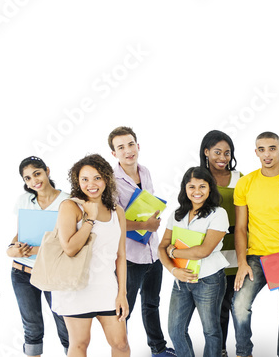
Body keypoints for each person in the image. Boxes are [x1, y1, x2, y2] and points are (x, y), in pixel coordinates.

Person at [232, 132, 279, 357]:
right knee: (239, 305)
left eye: (272, 148)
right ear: (256, 152)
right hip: (255, 257)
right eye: (262, 149)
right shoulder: (246, 183)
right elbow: (240, 228)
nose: (267, 154)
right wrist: (241, 263)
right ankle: (243, 352)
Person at [51, 154, 130, 356]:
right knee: (79, 344)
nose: (91, 184)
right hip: (75, 289)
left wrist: (122, 293)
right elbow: (69, 248)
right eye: (84, 179)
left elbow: (121, 255)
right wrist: (90, 219)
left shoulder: (117, 211)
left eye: (97, 178)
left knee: (120, 344)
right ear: (77, 182)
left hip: (107, 288)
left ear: (106, 178)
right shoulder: (70, 207)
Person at [107, 126, 175, 357]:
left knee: (152, 304)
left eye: (131, 144)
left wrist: (153, 219)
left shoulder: (144, 171)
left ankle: (158, 349)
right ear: (114, 154)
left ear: (138, 146)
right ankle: (121, 350)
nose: (128, 150)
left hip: (152, 253)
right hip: (130, 257)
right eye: (121, 147)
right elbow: (114, 222)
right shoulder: (111, 181)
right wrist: (145, 225)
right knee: (125, 309)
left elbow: (148, 203)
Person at [157, 167, 230, 357]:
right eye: (191, 187)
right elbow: (161, 247)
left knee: (211, 331)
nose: (197, 191)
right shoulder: (177, 214)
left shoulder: (218, 213)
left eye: (202, 186)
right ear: (184, 189)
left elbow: (203, 251)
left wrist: (173, 251)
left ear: (210, 188)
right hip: (181, 279)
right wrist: (174, 271)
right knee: (175, 330)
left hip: (209, 280)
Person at [9, 156, 70, 356]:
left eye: (37, 173)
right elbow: (21, 233)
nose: (34, 181)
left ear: (47, 171)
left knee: (66, 327)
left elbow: (67, 242)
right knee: (32, 330)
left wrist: (36, 250)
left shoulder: (67, 201)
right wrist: (12, 248)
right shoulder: (24, 200)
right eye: (27, 178)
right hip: (22, 272)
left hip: (53, 271)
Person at [198, 130, 244, 357]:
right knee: (214, 307)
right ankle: (220, 349)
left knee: (234, 304)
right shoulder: (198, 179)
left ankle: (238, 349)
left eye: (227, 153)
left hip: (236, 248)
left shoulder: (240, 178)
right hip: (208, 250)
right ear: (206, 152)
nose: (222, 158)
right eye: (217, 152)